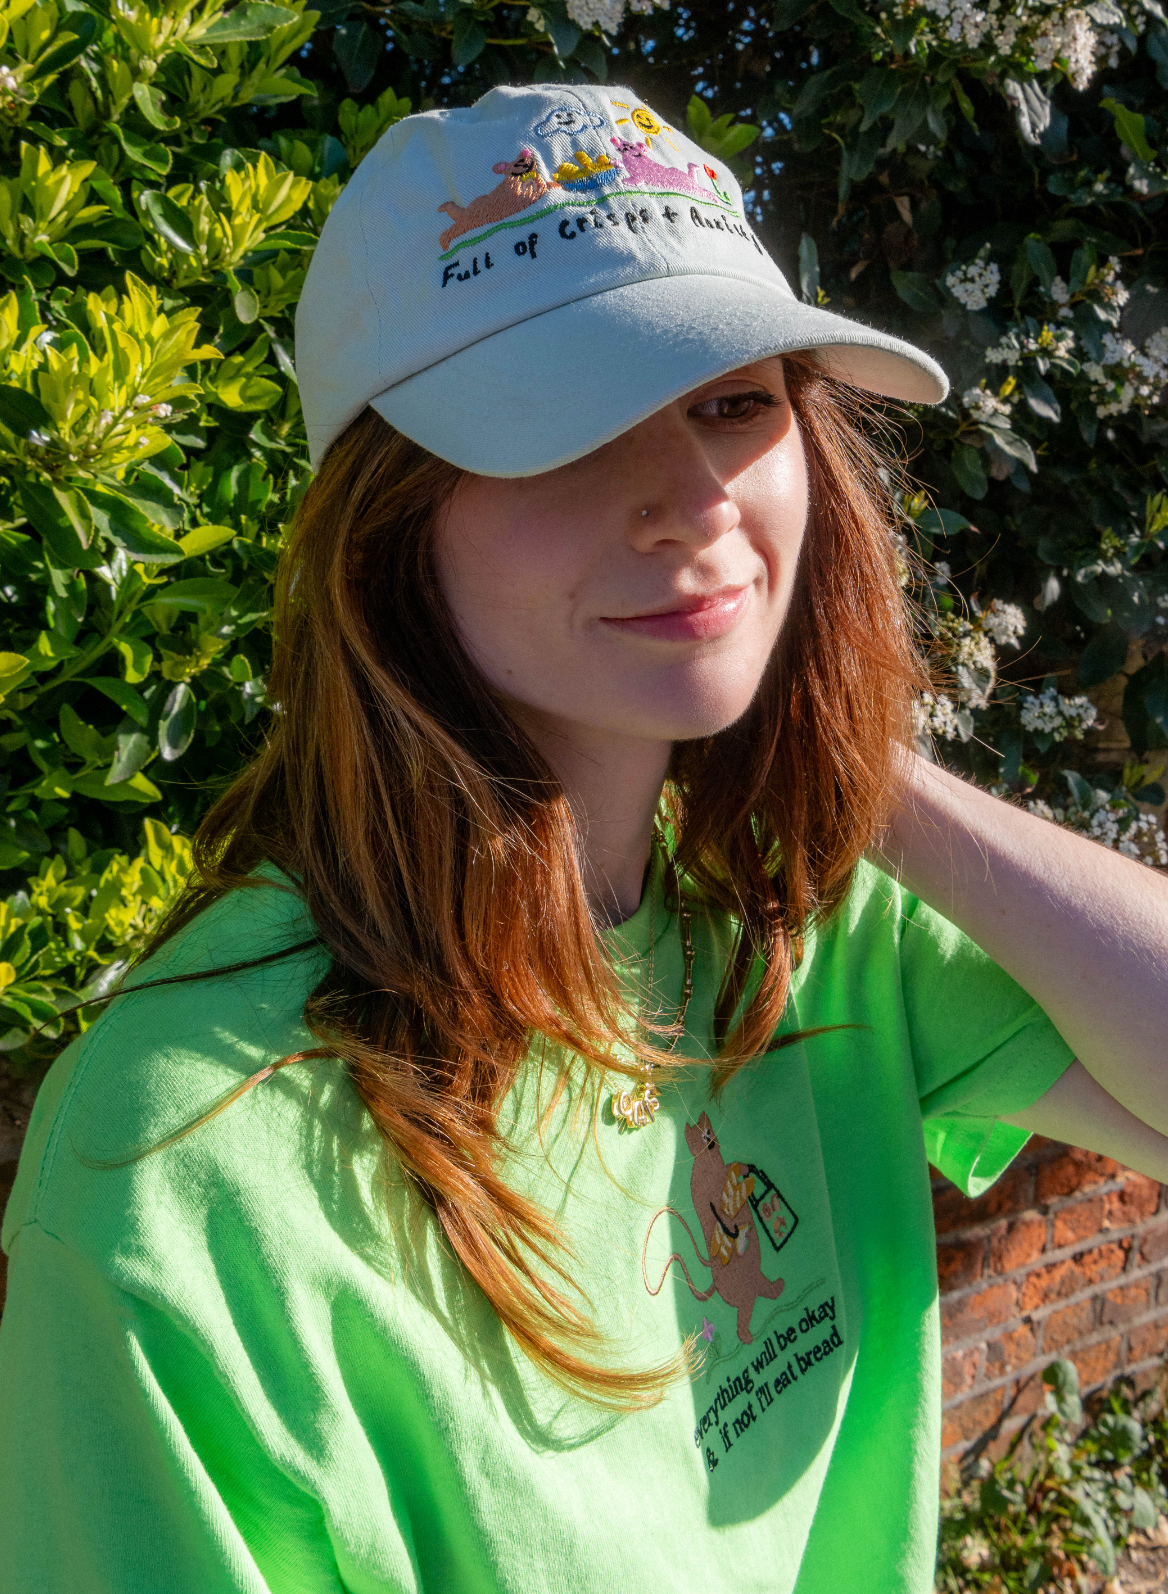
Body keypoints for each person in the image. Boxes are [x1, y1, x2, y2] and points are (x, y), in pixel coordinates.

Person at [1, 83, 1165, 1594]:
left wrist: (854, 771)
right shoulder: (180, 1158)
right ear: (388, 526)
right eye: (566, 426)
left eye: (736, 401)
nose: (692, 498)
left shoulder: (807, 925)